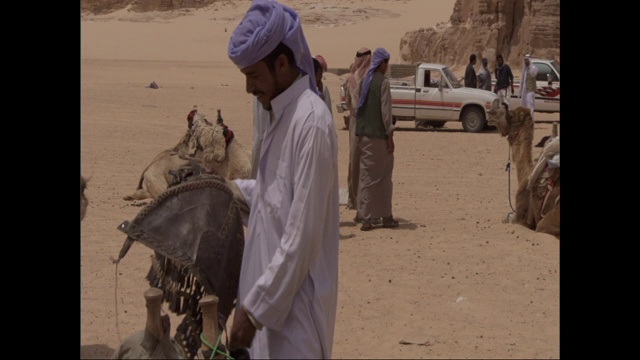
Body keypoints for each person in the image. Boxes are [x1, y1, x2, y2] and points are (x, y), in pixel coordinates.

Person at [226, 0, 340, 358]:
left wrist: (255, 310)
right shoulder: (281, 114)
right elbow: (273, 197)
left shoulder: (311, 121)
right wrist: (226, 191)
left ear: (281, 63)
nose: (249, 89)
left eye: (253, 76)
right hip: (267, 310)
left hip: (296, 322)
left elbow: (302, 234)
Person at [354, 47, 399, 231]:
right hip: (378, 137)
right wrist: (390, 136)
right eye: (386, 62)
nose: (387, 66)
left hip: (364, 135)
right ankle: (382, 216)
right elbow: (385, 113)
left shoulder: (365, 81)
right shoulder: (382, 83)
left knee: (367, 176)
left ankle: (366, 215)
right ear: (381, 63)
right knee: (383, 177)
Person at [344, 47, 372, 219]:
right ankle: (356, 200)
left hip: (359, 122)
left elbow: (348, 104)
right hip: (361, 123)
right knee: (356, 162)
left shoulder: (364, 78)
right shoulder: (357, 78)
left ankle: (359, 201)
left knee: (361, 162)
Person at [520, 54, 538, 120]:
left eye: (527, 60)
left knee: (530, 107)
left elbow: (534, 73)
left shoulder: (533, 68)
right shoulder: (525, 69)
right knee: (524, 106)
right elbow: (523, 80)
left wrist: (531, 66)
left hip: (530, 91)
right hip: (525, 91)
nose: (526, 62)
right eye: (525, 60)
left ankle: (530, 121)